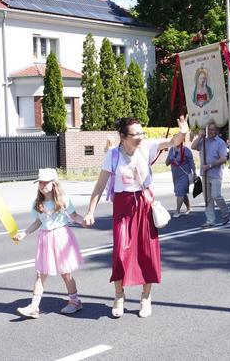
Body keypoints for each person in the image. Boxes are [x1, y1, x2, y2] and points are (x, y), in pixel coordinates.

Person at [83, 116, 189, 318]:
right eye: (135, 134)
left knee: (147, 254)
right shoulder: (113, 156)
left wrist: (183, 131)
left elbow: (173, 142)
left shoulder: (147, 147)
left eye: (141, 133)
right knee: (121, 254)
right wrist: (90, 211)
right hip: (123, 207)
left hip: (144, 204)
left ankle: (146, 298)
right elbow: (99, 186)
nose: (140, 137)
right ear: (122, 136)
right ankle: (119, 295)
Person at [12, 169, 85, 319]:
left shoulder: (63, 199)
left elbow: (74, 216)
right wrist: (24, 233)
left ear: (54, 183)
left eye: (46, 182)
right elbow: (38, 221)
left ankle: (75, 301)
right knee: (41, 273)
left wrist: (85, 221)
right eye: (40, 182)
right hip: (45, 239)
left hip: (61, 237)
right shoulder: (37, 203)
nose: (43, 185)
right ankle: (34, 307)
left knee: (65, 273)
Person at [191, 123, 230, 228]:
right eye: (209, 130)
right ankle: (210, 220)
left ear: (217, 131)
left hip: (216, 174)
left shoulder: (220, 143)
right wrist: (200, 136)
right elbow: (193, 146)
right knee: (207, 198)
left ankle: (226, 213)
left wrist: (209, 166)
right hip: (205, 174)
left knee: (216, 195)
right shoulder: (204, 141)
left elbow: (223, 158)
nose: (211, 132)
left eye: (213, 130)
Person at [165, 143, 196, 217]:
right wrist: (169, 159)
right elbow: (167, 163)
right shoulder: (171, 150)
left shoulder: (186, 150)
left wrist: (194, 173)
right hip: (175, 175)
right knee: (181, 192)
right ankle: (189, 207)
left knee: (180, 191)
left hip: (185, 174)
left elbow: (192, 163)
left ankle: (177, 211)